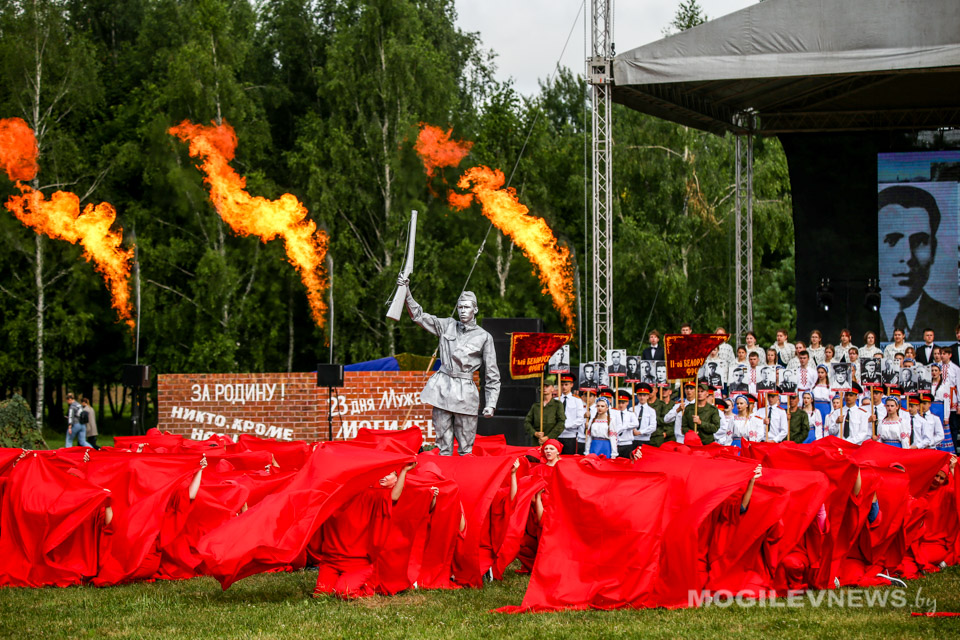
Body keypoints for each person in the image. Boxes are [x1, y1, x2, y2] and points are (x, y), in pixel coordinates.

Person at [398, 276, 499, 456]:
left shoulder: (484, 337)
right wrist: (406, 291)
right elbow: (419, 316)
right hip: (443, 389)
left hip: (465, 393)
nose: (462, 311)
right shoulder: (447, 325)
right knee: (443, 445)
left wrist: (491, 403)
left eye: (466, 307)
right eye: (459, 307)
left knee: (466, 447)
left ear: (475, 309)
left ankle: (465, 479)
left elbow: (492, 375)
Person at [313, 461, 417, 598]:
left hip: (357, 563)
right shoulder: (330, 497)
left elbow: (394, 496)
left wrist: (403, 471)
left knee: (344, 593)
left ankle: (368, 588)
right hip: (331, 561)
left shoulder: (369, 495)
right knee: (320, 595)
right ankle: (346, 581)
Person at [878, 185, 958, 342]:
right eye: (892, 240)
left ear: (933, 250)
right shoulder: (851, 317)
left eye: (920, 241)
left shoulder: (952, 322)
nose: (907, 256)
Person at [524, 378, 565, 445]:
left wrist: (548, 437)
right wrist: (535, 433)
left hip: (551, 441)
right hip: (536, 441)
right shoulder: (536, 406)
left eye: (547, 386)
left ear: (552, 389)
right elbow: (527, 422)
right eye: (543, 386)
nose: (544, 388)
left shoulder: (557, 404)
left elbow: (561, 423)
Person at [556, 373, 584, 455]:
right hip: (557, 435)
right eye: (562, 384)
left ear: (571, 385)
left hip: (570, 435)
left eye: (566, 384)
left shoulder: (577, 400)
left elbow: (580, 419)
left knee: (569, 460)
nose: (564, 387)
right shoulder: (556, 400)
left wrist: (565, 425)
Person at [613, 390, 640, 459]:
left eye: (623, 403)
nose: (621, 405)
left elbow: (636, 424)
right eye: (619, 403)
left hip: (627, 443)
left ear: (627, 403)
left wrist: (624, 427)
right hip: (616, 443)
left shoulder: (630, 414)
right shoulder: (613, 414)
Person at [631, 383, 657, 449]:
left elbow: (653, 426)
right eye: (640, 395)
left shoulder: (651, 411)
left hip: (645, 440)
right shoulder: (631, 409)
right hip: (633, 439)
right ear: (637, 396)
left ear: (648, 396)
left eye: (644, 395)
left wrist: (640, 432)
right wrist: (633, 429)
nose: (642, 397)